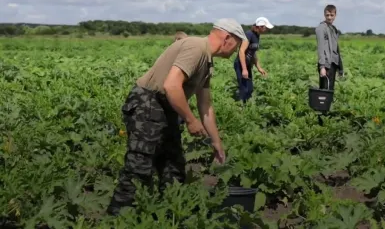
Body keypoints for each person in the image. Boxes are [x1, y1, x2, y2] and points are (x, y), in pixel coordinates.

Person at [106, 18, 247, 216]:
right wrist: (190, 120)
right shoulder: (196, 47)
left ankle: (168, 215)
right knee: (139, 168)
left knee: (173, 168)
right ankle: (118, 219)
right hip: (148, 104)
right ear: (227, 38)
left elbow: (205, 105)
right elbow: (171, 86)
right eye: (237, 45)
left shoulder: (206, 61)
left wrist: (217, 143)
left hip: (167, 108)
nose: (235, 51)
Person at [233, 17, 274, 103]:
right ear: (260, 26)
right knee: (244, 89)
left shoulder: (257, 36)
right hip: (240, 64)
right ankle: (240, 109)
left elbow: (253, 53)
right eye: (265, 27)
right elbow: (241, 51)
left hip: (247, 65)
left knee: (250, 89)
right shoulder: (249, 34)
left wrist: (259, 67)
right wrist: (244, 69)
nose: (266, 29)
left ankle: (247, 107)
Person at [316, 5, 344, 91]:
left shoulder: (333, 28)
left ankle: (329, 104)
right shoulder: (321, 28)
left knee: (330, 90)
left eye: (331, 15)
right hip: (326, 64)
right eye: (327, 15)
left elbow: (336, 49)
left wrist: (340, 67)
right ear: (324, 15)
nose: (329, 17)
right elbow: (321, 48)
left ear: (335, 15)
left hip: (333, 64)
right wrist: (322, 67)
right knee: (324, 92)